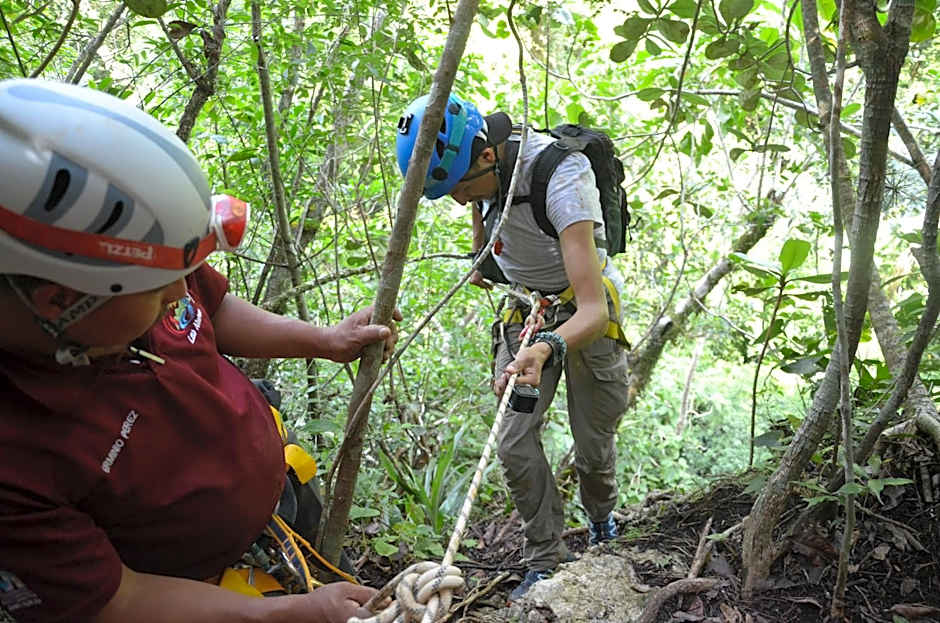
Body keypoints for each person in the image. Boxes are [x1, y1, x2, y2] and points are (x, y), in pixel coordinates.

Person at [0, 79, 397, 622]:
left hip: (281, 509)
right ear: (59, 299)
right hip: (207, 597)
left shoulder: (129, 282)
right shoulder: (13, 458)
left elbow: (215, 309)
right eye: (164, 287)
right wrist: (296, 614)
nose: (180, 294)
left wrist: (325, 341)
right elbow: (120, 600)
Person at [395, 93, 630, 600]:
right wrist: (489, 261)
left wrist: (546, 346)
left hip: (581, 315)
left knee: (592, 443)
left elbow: (593, 310)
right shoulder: (482, 171)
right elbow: (488, 246)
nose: (459, 199)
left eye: (461, 187)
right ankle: (545, 557)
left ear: (486, 155)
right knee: (513, 443)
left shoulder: (560, 176)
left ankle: (602, 519)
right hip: (524, 312)